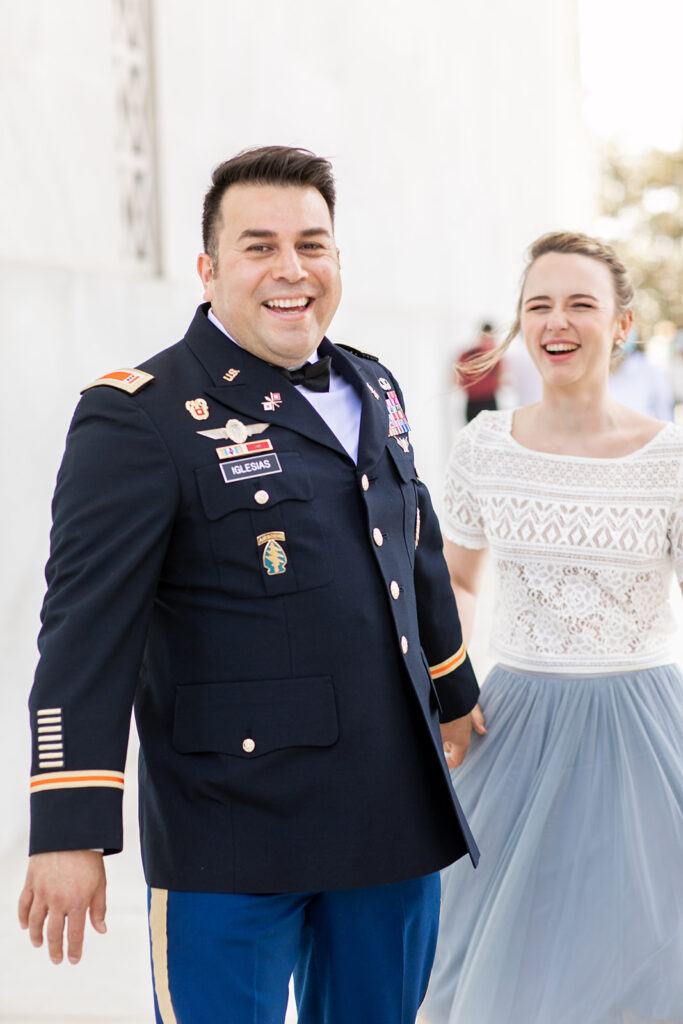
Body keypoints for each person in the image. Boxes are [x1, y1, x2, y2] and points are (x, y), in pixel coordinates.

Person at [18, 146, 481, 1024]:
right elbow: (83, 629)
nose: (291, 270)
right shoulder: (139, 414)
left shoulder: (372, 383)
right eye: (258, 246)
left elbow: (410, 551)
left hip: (389, 816)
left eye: (312, 244)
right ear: (208, 268)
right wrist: (70, 824)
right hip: (229, 834)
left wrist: (454, 690)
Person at [420, 232, 683, 1024]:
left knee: (646, 958)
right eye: (538, 305)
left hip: (643, 727)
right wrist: (449, 688)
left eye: (579, 304)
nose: (555, 321)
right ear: (518, 325)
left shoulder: (668, 457)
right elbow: (459, 578)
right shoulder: (485, 446)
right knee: (490, 958)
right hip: (512, 726)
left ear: (622, 324)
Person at [455, 322, 503, 421]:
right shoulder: (468, 356)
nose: (487, 342)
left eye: (490, 339)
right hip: (473, 402)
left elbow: (501, 378)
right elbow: (457, 378)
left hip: (490, 400)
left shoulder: (495, 357)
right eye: (485, 338)